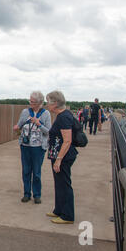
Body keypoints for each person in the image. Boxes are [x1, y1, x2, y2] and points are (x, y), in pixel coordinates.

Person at [45, 90, 78, 224]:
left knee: (64, 184)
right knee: (59, 184)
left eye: (48, 102)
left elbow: (67, 140)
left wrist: (58, 160)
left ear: (55, 103)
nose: (47, 105)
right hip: (58, 155)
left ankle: (68, 215)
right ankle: (58, 210)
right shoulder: (62, 115)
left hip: (63, 157)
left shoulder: (63, 117)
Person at [13, 91, 52, 204]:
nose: (30, 103)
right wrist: (16, 128)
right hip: (25, 146)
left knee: (36, 172)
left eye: (33, 102)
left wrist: (39, 124)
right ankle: (26, 193)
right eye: (30, 101)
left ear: (40, 103)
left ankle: (37, 194)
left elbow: (48, 131)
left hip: (38, 147)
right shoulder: (25, 112)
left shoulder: (46, 114)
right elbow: (19, 125)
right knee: (26, 171)